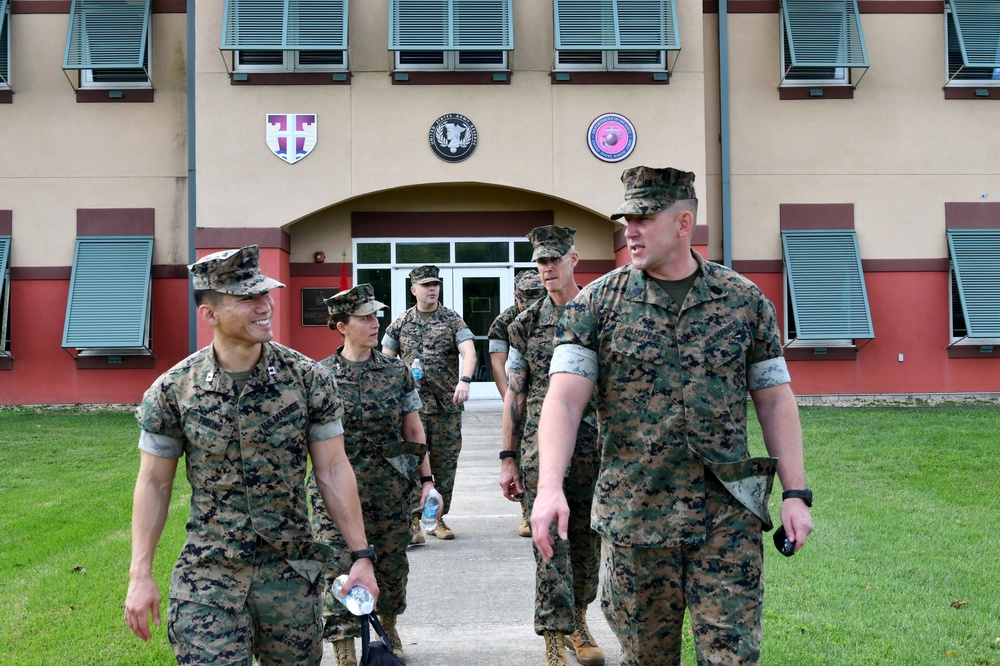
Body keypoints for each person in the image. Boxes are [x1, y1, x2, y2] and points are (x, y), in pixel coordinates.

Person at [531, 167, 815, 666]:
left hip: (726, 517)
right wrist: (549, 487)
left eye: (643, 218)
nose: (630, 231)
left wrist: (795, 493)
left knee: (733, 657)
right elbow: (564, 401)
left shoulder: (744, 302)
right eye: (626, 219)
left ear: (684, 223)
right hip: (636, 520)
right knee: (646, 659)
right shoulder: (597, 305)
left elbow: (774, 399)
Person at [124, 245, 378, 666]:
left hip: (290, 576)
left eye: (266, 294)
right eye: (248, 299)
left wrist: (361, 557)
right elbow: (154, 482)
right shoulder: (174, 391)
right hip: (208, 577)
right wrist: (140, 574)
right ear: (209, 315)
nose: (265, 307)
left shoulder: (308, 379)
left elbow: (332, 469)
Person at [308, 283, 436, 665]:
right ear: (341, 325)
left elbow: (413, 431)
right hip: (335, 495)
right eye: (365, 317)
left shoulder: (396, 372)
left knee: (393, 566)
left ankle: (388, 621)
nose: (375, 323)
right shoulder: (319, 376)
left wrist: (428, 482)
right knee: (338, 567)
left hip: (388, 492)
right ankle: (344, 647)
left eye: (375, 315)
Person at [499, 226, 604, 666]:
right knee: (548, 542)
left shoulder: (601, 313)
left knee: (586, 541)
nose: (547, 269)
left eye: (554, 260)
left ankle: (579, 620)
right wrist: (508, 458)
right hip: (541, 449)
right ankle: (553, 638)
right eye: (540, 262)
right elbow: (515, 394)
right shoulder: (525, 324)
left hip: (595, 445)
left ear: (573, 259)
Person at [382, 265, 477, 543]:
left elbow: (469, 352)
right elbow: (386, 359)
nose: (432, 288)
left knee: (445, 464)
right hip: (413, 410)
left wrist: (465, 380)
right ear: (414, 290)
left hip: (446, 406)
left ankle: (436, 519)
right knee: (412, 462)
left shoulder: (452, 320)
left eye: (435, 284)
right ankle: (413, 521)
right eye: (425, 285)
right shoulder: (400, 323)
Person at [488, 269, 545, 538]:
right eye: (527, 299)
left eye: (538, 297)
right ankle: (526, 511)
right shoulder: (506, 322)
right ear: (515, 296)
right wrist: (509, 402)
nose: (533, 304)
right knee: (524, 457)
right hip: (521, 393)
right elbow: (499, 366)